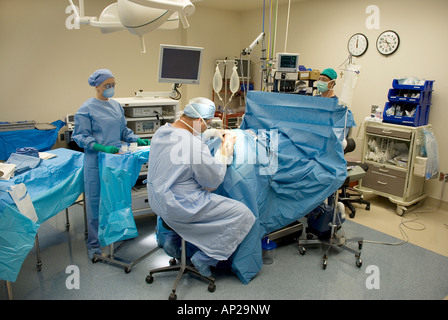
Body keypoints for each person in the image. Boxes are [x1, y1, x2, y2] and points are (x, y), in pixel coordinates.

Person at [146, 97, 255, 277]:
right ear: (199, 120)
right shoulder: (193, 145)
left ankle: (172, 243)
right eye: (208, 123)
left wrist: (213, 133)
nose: (208, 126)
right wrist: (225, 151)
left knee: (180, 213)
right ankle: (204, 259)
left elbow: (188, 136)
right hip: (180, 205)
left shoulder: (162, 131)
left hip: (158, 201)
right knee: (242, 214)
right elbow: (213, 181)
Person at [72, 69, 150, 260]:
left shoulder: (116, 106)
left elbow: (123, 130)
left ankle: (118, 232)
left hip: (116, 160)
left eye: (113, 85)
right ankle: (94, 244)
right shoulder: (86, 109)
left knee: (119, 198)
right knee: (95, 202)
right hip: (97, 161)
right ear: (97, 86)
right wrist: (100, 147)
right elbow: (81, 137)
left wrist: (137, 139)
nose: (111, 89)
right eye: (108, 85)